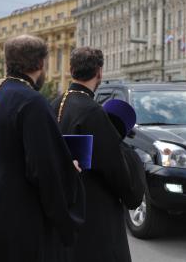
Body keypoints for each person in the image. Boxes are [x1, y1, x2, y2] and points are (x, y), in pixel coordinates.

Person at [0, 35, 85, 262]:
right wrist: (69, 170)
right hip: (21, 210)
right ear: (40, 64)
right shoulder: (32, 101)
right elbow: (45, 166)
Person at [52, 47, 144, 262]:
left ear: (71, 69)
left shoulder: (54, 104)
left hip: (64, 204)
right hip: (92, 208)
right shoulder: (92, 111)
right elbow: (113, 166)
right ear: (100, 72)